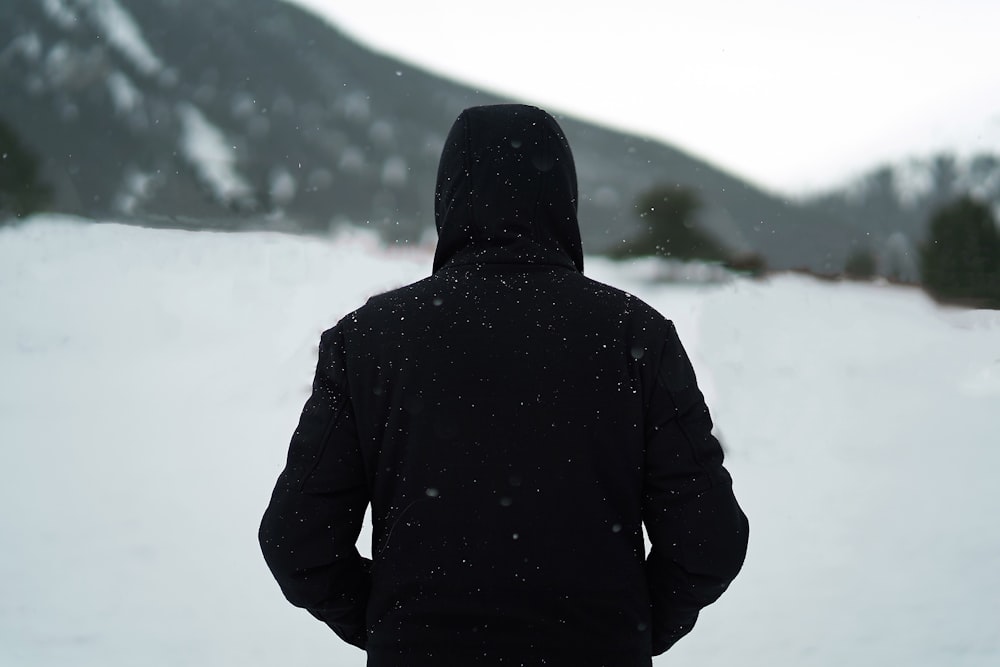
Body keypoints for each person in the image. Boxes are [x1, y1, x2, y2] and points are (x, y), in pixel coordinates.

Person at [259, 104, 749, 666]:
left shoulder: (369, 339)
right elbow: (709, 540)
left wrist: (396, 627)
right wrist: (626, 628)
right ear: (563, 198)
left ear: (448, 196)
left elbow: (297, 542)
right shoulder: (635, 334)